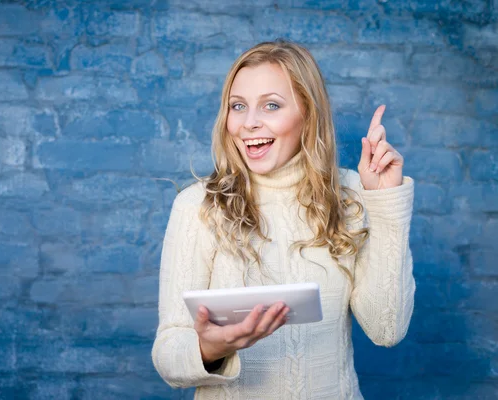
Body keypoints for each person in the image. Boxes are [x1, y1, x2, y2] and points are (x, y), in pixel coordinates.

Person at [151, 40, 415, 399]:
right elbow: (168, 355)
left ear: (307, 112)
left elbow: (386, 329)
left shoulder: (353, 194)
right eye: (238, 106)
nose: (249, 123)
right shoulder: (198, 206)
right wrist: (210, 349)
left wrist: (385, 203)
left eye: (271, 105)